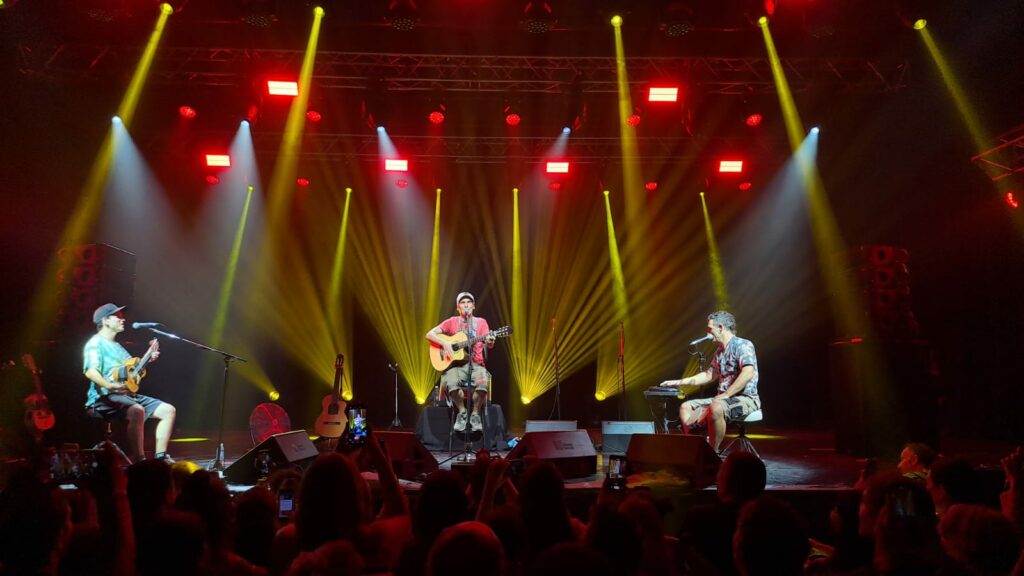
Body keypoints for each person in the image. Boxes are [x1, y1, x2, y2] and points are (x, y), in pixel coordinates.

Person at [83, 303, 177, 463]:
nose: (123, 319)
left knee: (168, 410)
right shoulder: (95, 343)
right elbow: (90, 371)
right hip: (103, 397)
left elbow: (133, 372)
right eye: (118, 316)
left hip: (125, 395)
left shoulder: (118, 346)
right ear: (105, 321)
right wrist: (110, 385)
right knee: (137, 410)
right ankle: (140, 460)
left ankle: (161, 457)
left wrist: (148, 358)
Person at [659, 310, 760, 453]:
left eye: (710, 329)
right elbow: (708, 375)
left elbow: (748, 372)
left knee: (716, 407)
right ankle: (695, 448)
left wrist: (726, 395)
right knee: (686, 407)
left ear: (721, 327)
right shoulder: (719, 352)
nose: (708, 332)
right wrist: (678, 381)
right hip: (721, 400)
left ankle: (712, 453)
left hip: (746, 399)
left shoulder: (743, 345)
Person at [425, 292, 496, 433]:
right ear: (458, 307)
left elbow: (490, 344)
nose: (466, 305)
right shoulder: (452, 321)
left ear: (473, 306)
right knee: (449, 381)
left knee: (483, 382)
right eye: (462, 302)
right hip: (457, 366)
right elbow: (429, 334)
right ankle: (462, 412)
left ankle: (475, 414)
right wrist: (445, 343)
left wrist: (491, 340)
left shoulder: (481, 322)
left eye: (469, 302)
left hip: (477, 365)